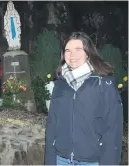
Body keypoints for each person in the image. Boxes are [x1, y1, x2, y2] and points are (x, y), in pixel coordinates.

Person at [45, 32, 123, 165]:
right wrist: (49, 160)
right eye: (68, 50)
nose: (72, 55)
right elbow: (52, 124)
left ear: (88, 52)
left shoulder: (103, 83)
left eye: (78, 49)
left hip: (92, 161)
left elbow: (113, 128)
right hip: (61, 159)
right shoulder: (60, 84)